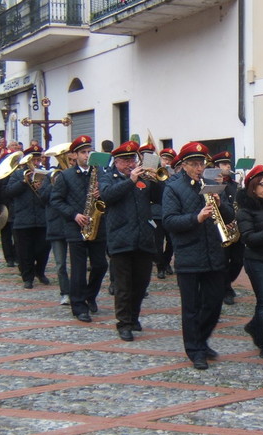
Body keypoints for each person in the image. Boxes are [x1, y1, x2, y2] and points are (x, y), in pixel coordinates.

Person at [162, 141, 235, 370]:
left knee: (213, 304)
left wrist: (221, 205)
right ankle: (195, 350)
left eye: (201, 163)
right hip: (188, 254)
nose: (199, 168)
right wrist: (196, 218)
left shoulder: (211, 183)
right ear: (184, 165)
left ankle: (201, 340)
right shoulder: (173, 188)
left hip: (214, 252)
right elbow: (169, 221)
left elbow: (230, 215)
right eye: (194, 164)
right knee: (192, 307)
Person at [99, 141, 162, 341]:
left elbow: (159, 197)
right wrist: (131, 181)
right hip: (120, 239)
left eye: (132, 160)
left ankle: (134, 317)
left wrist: (157, 178)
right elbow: (108, 196)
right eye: (125, 161)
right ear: (116, 162)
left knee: (141, 283)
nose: (130, 164)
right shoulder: (108, 177)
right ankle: (123, 323)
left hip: (143, 238)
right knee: (123, 286)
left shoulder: (143, 180)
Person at [51, 135, 109, 323]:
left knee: (101, 265)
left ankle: (90, 296)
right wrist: (74, 214)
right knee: (78, 269)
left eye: (88, 152)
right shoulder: (65, 176)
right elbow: (56, 200)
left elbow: (110, 195)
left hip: (97, 225)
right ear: (74, 155)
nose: (86, 155)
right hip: (75, 227)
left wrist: (102, 194)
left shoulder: (99, 172)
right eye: (83, 152)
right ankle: (79, 306)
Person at [236, 164, 263, 362]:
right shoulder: (245, 210)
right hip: (256, 260)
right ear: (253, 187)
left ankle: (254, 325)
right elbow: (248, 238)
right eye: (262, 185)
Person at [5, 146, 51, 289]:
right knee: (24, 250)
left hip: (42, 218)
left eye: (38, 159)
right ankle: (27, 277)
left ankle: (40, 271)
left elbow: (51, 195)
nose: (36, 162)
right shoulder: (18, 175)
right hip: (23, 219)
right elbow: (9, 192)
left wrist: (42, 187)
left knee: (43, 249)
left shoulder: (46, 174)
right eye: (33, 160)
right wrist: (24, 182)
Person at [40, 144, 74, 304]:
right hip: (56, 223)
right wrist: (54, 184)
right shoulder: (51, 175)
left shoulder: (76, 175)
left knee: (77, 263)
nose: (70, 160)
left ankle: (77, 291)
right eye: (68, 157)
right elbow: (42, 198)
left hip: (73, 223)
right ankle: (64, 293)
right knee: (60, 264)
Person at [211, 151, 244, 305]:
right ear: (217, 167)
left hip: (235, 228)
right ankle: (226, 289)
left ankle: (224, 283)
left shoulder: (235, 185)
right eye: (224, 164)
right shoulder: (212, 184)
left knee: (238, 260)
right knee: (223, 260)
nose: (228, 166)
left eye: (229, 163)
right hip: (220, 228)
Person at [151, 147, 176, 279]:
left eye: (169, 160)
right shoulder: (155, 174)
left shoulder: (173, 176)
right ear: (160, 159)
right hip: (156, 213)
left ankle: (166, 262)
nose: (167, 162)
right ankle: (160, 267)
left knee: (171, 241)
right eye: (165, 159)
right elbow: (152, 195)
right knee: (158, 242)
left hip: (170, 212)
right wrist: (155, 178)